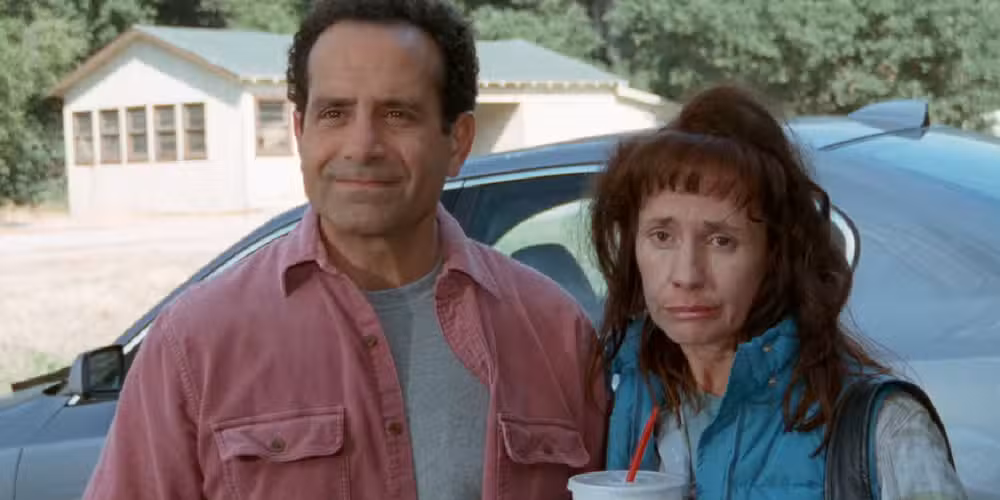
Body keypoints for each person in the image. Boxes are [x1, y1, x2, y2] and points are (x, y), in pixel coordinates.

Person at [82, 1, 606, 499]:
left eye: (397, 114)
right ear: (300, 132)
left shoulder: (555, 334)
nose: (362, 146)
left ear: (458, 142)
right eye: (334, 113)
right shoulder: (194, 342)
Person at [589, 85, 966, 499]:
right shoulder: (630, 396)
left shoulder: (885, 429)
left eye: (721, 241)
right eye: (662, 236)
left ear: (775, 255)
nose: (687, 275)